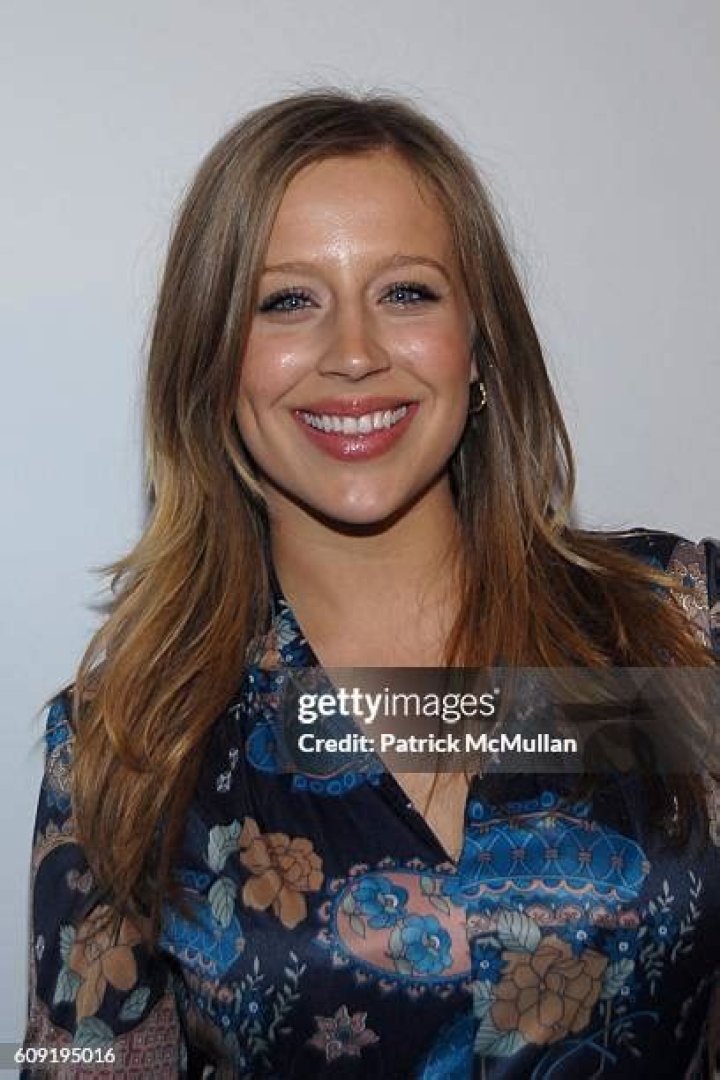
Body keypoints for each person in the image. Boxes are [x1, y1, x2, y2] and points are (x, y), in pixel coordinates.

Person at [22, 88, 720, 1079]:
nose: (354, 354)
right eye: (286, 301)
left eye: (406, 293)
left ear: (479, 345)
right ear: (212, 363)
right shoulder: (132, 741)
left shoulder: (679, 623)